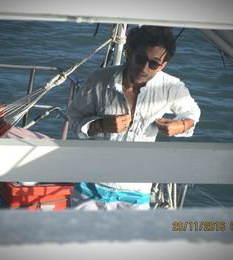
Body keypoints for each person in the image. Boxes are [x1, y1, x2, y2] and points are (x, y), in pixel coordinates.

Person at [67, 25, 201, 210]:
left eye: (154, 63)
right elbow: (73, 119)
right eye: (140, 58)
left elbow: (193, 112)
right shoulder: (98, 80)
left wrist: (182, 125)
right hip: (91, 184)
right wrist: (99, 125)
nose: (144, 68)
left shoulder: (171, 87)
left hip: (137, 190)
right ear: (129, 52)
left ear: (163, 65)